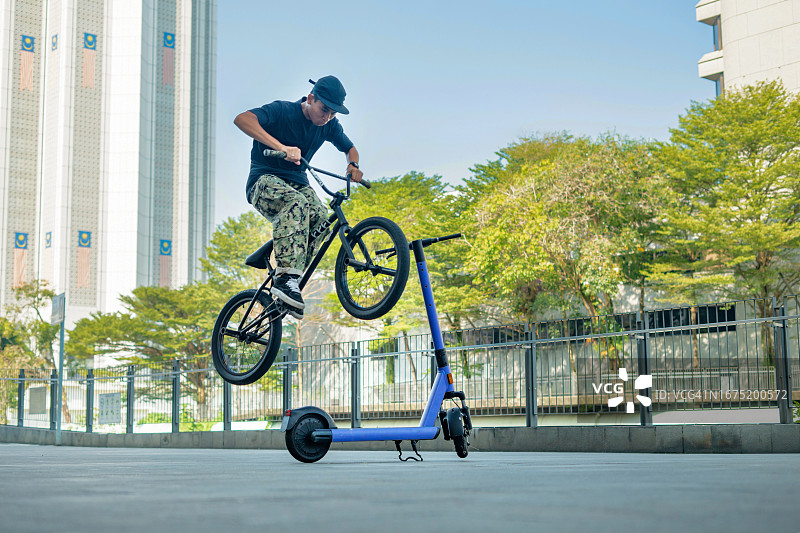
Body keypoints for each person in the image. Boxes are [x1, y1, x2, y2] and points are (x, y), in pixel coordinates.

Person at [234, 75, 363, 320]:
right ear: (310, 99)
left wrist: (353, 164)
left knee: (321, 220)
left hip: (297, 183)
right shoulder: (283, 111)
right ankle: (285, 278)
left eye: (332, 114)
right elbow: (242, 119)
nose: (326, 117)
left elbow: (350, 148)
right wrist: (281, 147)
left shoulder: (329, 125)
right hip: (263, 181)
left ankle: (289, 277)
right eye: (324, 110)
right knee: (296, 204)